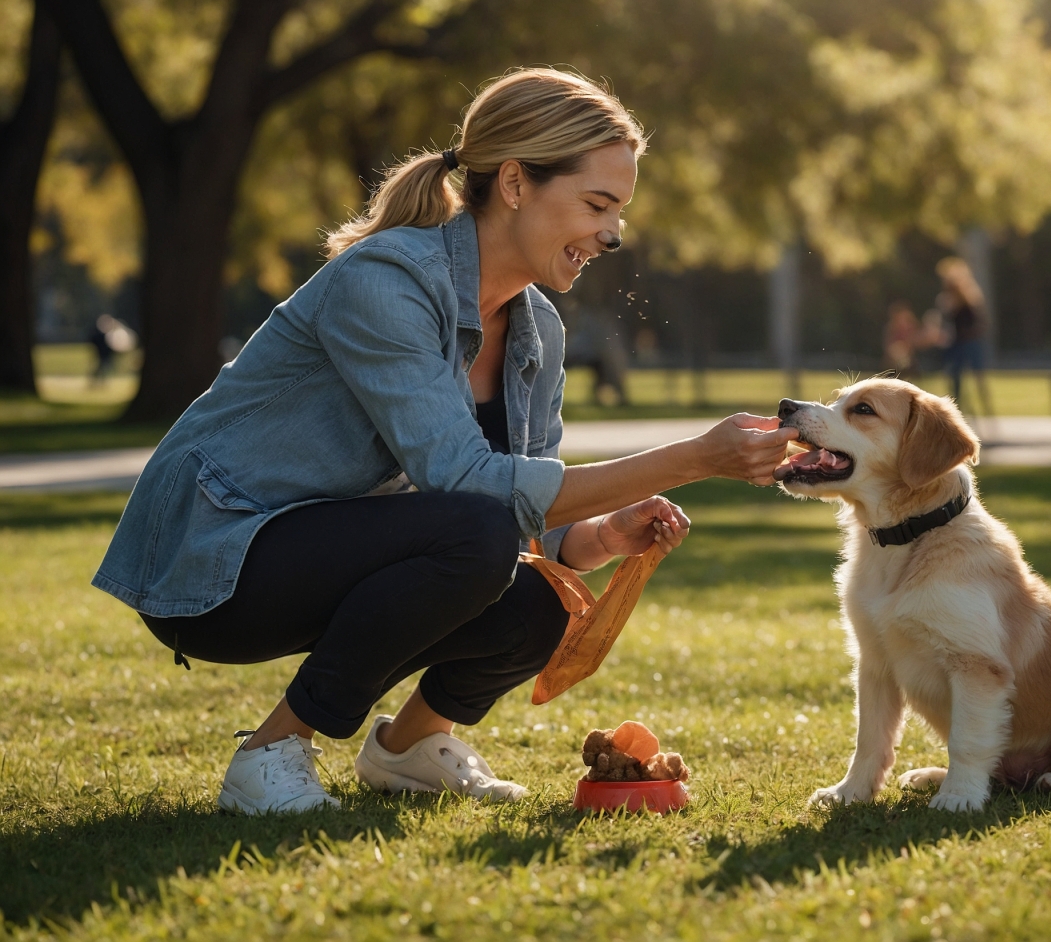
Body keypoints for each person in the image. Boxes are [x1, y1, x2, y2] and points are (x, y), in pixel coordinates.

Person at [91, 69, 797, 815]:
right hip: (212, 561)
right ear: (517, 183)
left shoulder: (537, 330)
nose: (613, 233)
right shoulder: (388, 280)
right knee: (477, 527)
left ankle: (411, 747)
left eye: (619, 211)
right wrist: (696, 458)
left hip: (332, 553)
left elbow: (522, 521)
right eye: (597, 205)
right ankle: (270, 754)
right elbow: (469, 488)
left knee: (543, 600)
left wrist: (598, 536)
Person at [935, 257, 994, 415]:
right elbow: (944, 322)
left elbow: (980, 323)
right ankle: (957, 411)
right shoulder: (946, 300)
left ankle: (987, 411)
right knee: (955, 379)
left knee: (978, 377)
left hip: (970, 342)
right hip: (955, 344)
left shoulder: (969, 297)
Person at [882, 301, 921, 379]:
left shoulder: (911, 327)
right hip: (895, 355)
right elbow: (887, 345)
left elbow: (916, 341)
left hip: (909, 354)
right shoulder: (891, 328)